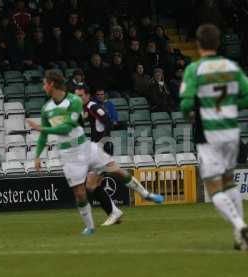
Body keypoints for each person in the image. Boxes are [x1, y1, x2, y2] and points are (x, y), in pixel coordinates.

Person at [27, 71, 164, 235]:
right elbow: (43, 135)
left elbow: (68, 126)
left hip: (85, 146)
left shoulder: (74, 101)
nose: (43, 87)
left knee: (117, 170)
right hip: (68, 154)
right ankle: (90, 227)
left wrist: (42, 128)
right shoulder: (46, 109)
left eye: (44, 83)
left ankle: (146, 194)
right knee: (80, 193)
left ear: (52, 84)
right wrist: (37, 156)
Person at [180, 24, 248, 251]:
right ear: (219, 43)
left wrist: (191, 113)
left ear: (198, 45)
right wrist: (229, 106)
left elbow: (186, 103)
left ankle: (240, 225)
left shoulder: (195, 69)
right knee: (229, 181)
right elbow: (246, 97)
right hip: (231, 132)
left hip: (209, 133)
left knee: (213, 186)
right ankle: (241, 237)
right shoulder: (232, 66)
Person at [75, 85, 123, 225]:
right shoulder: (87, 109)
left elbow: (108, 121)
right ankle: (114, 213)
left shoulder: (93, 107)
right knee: (92, 185)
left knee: (90, 185)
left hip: (102, 149)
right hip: (97, 149)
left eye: (81, 95)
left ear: (88, 96)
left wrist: (103, 141)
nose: (79, 98)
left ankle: (114, 213)